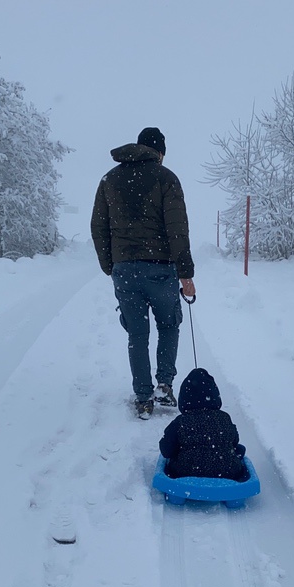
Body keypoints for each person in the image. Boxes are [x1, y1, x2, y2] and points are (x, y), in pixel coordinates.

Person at [91, 127, 196, 419]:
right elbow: (178, 230)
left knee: (137, 334)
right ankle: (164, 385)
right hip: (161, 269)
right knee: (168, 325)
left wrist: (109, 265)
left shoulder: (109, 180)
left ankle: (143, 397)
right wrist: (186, 275)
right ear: (159, 152)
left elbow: (98, 227)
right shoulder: (166, 178)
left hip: (124, 271)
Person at [159, 368, 248, 480]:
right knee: (239, 449)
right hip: (228, 471)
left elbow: (166, 450)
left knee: (175, 454)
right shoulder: (224, 417)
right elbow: (234, 441)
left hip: (186, 472)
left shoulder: (181, 421)